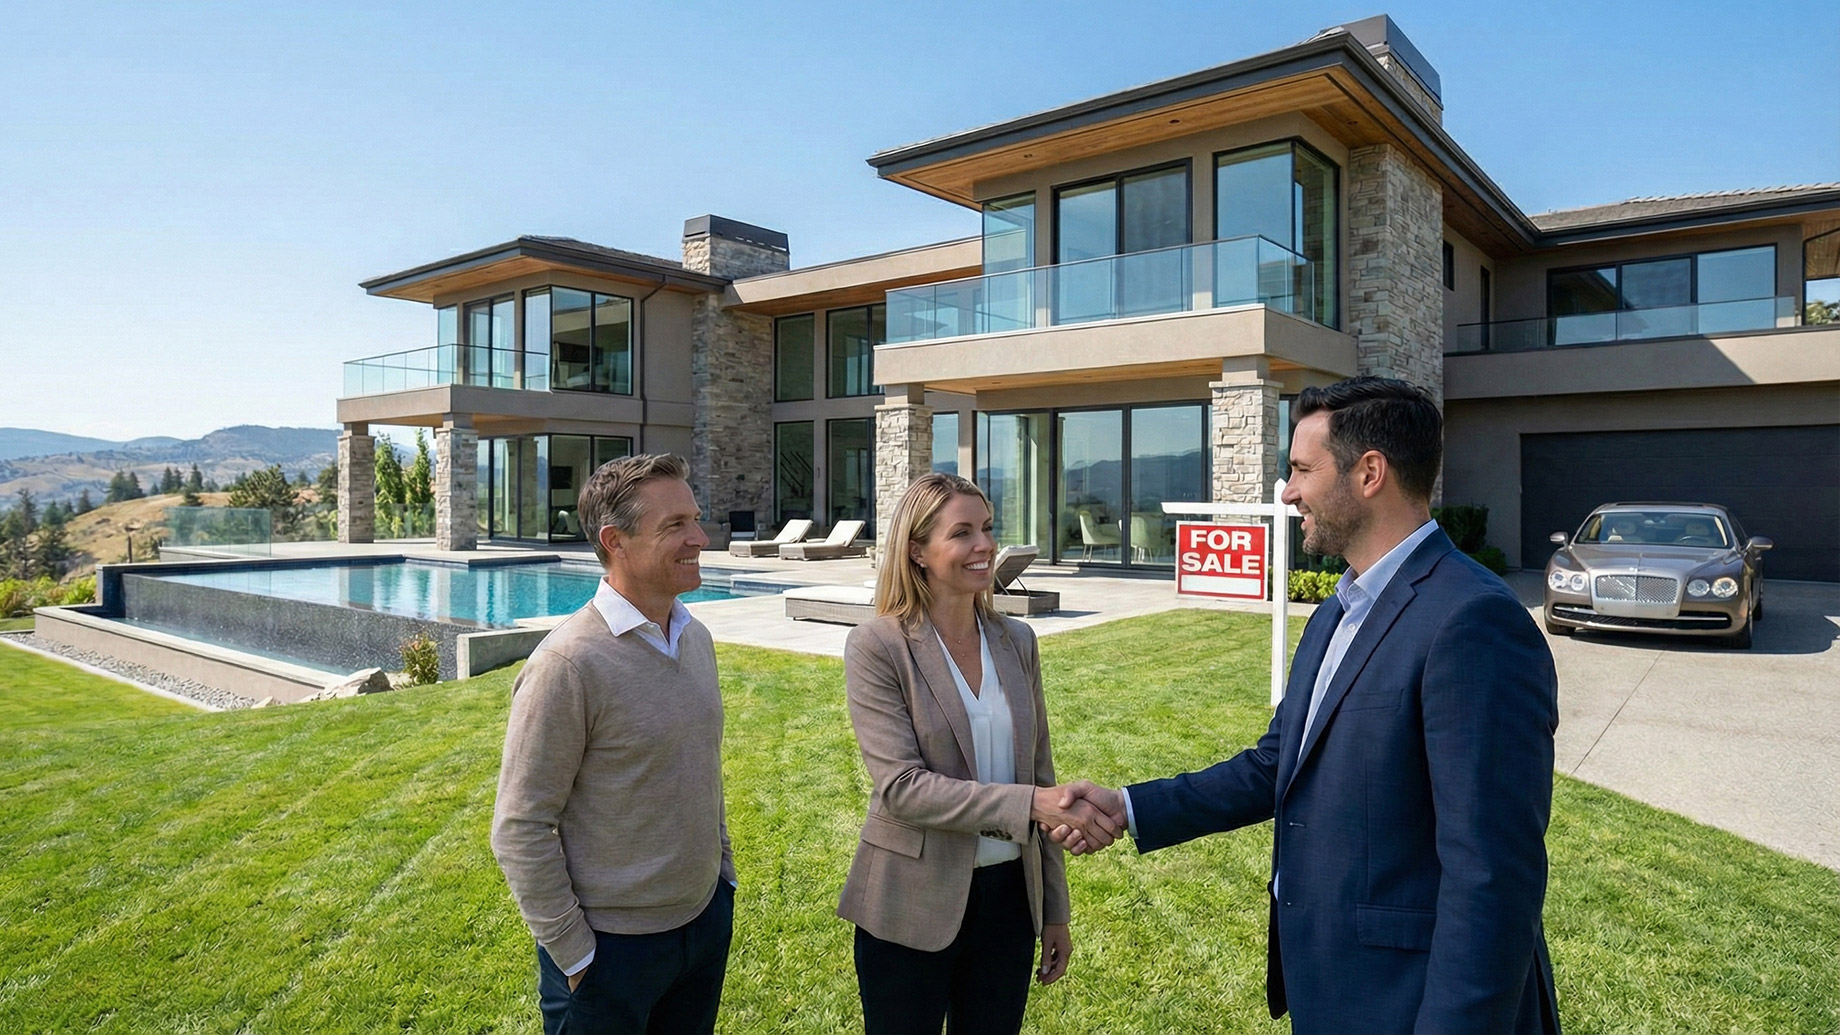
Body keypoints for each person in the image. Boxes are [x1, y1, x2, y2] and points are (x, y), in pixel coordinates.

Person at [1054, 377, 1562, 1034]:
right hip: (1334, 992)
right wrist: (1130, 806)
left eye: (1300, 469)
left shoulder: (1474, 622)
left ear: (1370, 472)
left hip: (1412, 1006)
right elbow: (1278, 763)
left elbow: (1493, 878)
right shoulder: (1334, 612)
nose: (1288, 491)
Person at [837, 472, 1118, 1035]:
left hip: (1009, 903)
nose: (984, 545)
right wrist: (1034, 805)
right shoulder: (878, 645)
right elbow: (903, 789)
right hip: (908, 906)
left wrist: (1054, 910)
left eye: (987, 528)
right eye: (962, 533)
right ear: (917, 550)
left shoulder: (1018, 641)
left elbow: (1042, 775)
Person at [491, 453, 734, 1035]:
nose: (699, 538)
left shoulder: (693, 637)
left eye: (695, 520)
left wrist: (721, 876)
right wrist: (575, 956)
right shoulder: (567, 665)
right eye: (674, 525)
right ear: (614, 541)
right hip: (609, 953)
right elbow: (520, 826)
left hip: (702, 924)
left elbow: (698, 767)